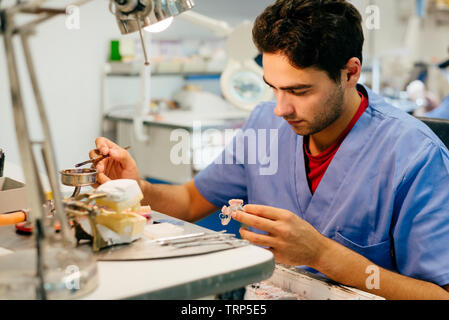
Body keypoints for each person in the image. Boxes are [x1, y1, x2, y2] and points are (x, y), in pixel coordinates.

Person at [90, 0, 449, 299]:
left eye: (299, 91)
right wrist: (138, 190)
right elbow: (189, 201)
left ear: (350, 72)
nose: (281, 108)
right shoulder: (265, 123)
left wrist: (322, 254)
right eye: (272, 88)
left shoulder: (416, 158)